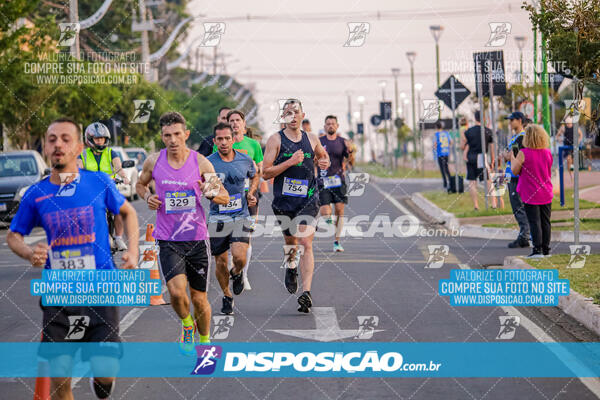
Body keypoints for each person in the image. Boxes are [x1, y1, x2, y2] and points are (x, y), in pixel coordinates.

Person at [7, 118, 139, 400]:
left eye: (66, 139)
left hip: (100, 290)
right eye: (52, 139)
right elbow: (14, 236)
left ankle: (99, 377)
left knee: (105, 373)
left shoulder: (98, 182)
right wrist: (31, 253)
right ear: (45, 147)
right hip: (59, 295)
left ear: (79, 147)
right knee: (60, 380)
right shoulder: (37, 193)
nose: (58, 144)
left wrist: (133, 251)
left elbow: (128, 212)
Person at [136, 111, 229, 354]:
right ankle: (188, 324)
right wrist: (148, 197)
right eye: (168, 135)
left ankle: (206, 341)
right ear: (162, 136)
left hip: (197, 239)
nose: (173, 140)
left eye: (177, 134)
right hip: (168, 239)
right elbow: (140, 184)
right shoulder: (154, 162)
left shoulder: (200, 163)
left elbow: (224, 196)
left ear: (186, 134)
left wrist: (209, 193)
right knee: (177, 294)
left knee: (199, 299)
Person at [263, 99, 330, 313]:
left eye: (296, 112)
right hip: (284, 201)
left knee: (305, 242)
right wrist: (290, 162)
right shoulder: (275, 140)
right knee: (291, 242)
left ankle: (306, 292)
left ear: (302, 115)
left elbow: (323, 156)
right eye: (288, 112)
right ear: (284, 117)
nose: (292, 116)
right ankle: (291, 267)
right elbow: (265, 173)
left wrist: (324, 162)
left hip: (309, 199)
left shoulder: (311, 139)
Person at [207, 122, 259, 314]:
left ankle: (236, 273)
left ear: (233, 139)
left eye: (227, 138)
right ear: (214, 141)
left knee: (239, 257)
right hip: (217, 217)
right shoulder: (208, 162)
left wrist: (251, 192)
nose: (223, 142)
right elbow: (202, 185)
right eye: (219, 139)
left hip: (240, 215)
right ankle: (227, 295)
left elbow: (255, 175)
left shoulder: (245, 160)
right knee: (220, 262)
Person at [223, 109, 264, 290]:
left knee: (246, 236)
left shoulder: (253, 145)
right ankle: (234, 268)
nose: (234, 123)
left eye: (237, 120)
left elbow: (260, 171)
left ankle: (243, 275)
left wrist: (254, 169)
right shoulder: (222, 144)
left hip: (250, 196)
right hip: (228, 197)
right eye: (231, 120)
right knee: (228, 235)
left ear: (244, 123)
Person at [77, 122, 130, 251]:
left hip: (109, 189)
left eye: (102, 138)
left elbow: (118, 167)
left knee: (118, 209)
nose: (100, 141)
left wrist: (124, 177)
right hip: (91, 191)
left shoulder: (111, 153)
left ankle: (118, 238)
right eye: (97, 138)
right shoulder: (82, 155)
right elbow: (78, 169)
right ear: (90, 139)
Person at [510, 124, 553, 258]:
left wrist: (512, 156)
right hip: (546, 191)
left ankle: (537, 250)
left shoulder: (523, 153)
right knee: (545, 221)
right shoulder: (547, 152)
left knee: (534, 221)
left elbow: (515, 171)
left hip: (530, 193)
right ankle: (546, 249)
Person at [318, 115, 353, 252]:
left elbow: (350, 161)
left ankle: (337, 241)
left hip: (339, 180)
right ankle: (331, 225)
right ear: (325, 126)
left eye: (333, 123)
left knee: (339, 210)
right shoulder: (319, 142)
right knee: (326, 214)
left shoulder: (343, 142)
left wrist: (350, 151)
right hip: (323, 180)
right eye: (328, 124)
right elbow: (314, 159)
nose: (330, 125)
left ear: (337, 126)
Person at [501, 111, 530, 248]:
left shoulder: (521, 138)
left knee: (519, 207)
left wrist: (506, 156)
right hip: (511, 176)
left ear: (519, 120)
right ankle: (524, 234)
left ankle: (524, 236)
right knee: (517, 207)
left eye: (512, 120)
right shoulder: (516, 137)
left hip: (516, 177)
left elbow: (513, 156)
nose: (510, 122)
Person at [462, 111, 496, 210]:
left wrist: (465, 154)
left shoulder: (468, 131)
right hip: (482, 157)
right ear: (484, 118)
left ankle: (476, 206)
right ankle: (493, 204)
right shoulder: (488, 131)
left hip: (471, 157)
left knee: (472, 182)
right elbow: (492, 148)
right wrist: (493, 160)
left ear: (475, 118)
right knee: (488, 181)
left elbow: (465, 145)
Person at [433, 121, 452, 189]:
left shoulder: (436, 134)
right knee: (446, 168)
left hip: (440, 154)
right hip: (446, 153)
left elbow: (435, 145)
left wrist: (435, 147)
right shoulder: (447, 133)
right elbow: (451, 142)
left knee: (442, 169)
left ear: (436, 127)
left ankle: (445, 183)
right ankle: (450, 181)